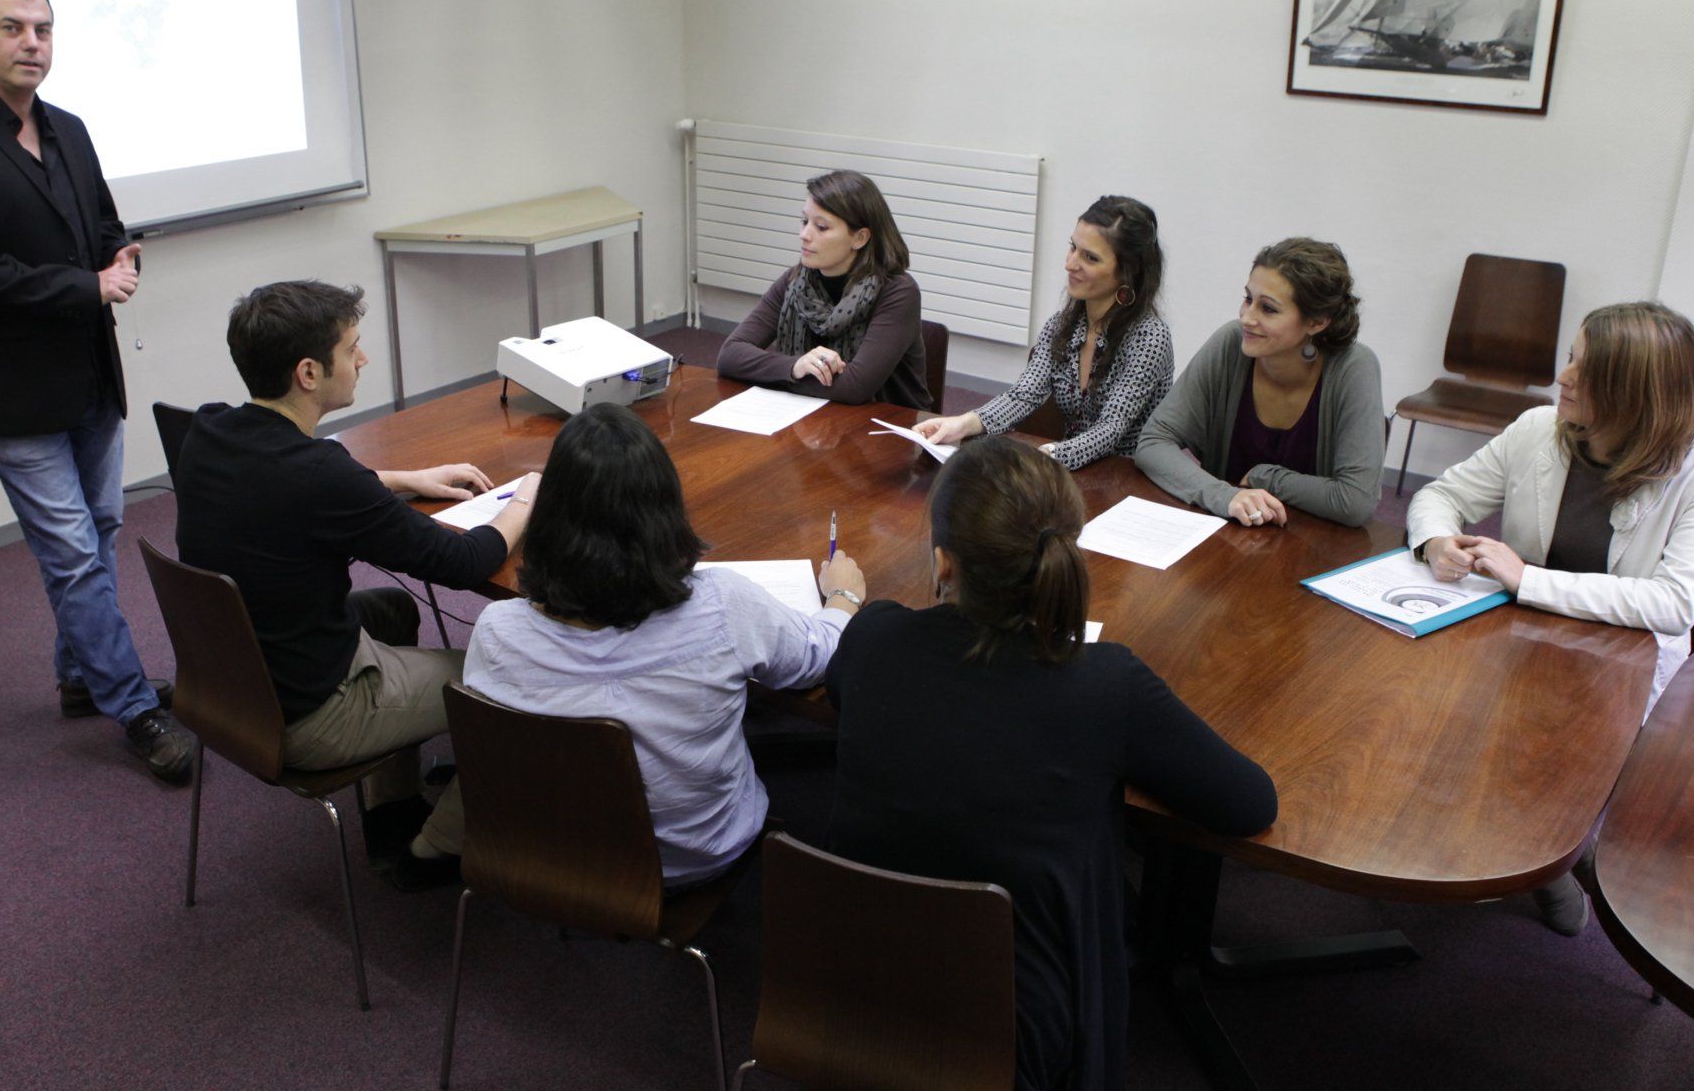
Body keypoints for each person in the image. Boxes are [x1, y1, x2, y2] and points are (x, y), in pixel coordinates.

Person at [825, 437, 1277, 1091]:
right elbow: (1248, 804)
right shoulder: (1103, 684)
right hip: (1021, 1042)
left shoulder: (872, 640)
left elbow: (848, 688)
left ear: (944, 563)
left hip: (840, 994)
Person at [0, 0, 192, 782]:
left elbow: (101, 222)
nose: (32, 44)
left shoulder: (69, 128)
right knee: (70, 553)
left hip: (89, 372)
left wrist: (121, 253)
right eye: (15, 28)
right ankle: (134, 705)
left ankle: (76, 677)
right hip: (12, 387)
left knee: (96, 533)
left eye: (44, 30)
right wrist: (83, 286)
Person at [174, 280, 539, 890]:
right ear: (310, 372)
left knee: (393, 609)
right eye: (353, 349)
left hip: (231, 680)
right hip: (310, 712)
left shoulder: (209, 430)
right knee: (519, 679)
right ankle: (434, 852)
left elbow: (299, 484)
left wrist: (401, 477)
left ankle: (390, 809)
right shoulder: (321, 476)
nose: (362, 359)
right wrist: (529, 492)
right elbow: (463, 561)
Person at [1409, 302, 1694, 936]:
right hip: (1516, 630)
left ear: (1633, 392)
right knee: (1427, 696)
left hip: (1620, 658)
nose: (1564, 376)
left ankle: (1548, 861)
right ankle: (1528, 853)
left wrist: (1528, 579)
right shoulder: (1539, 428)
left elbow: (1675, 605)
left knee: (1556, 744)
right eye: (1571, 357)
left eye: (1587, 370)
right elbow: (1440, 495)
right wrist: (1436, 542)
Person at [464, 403, 865, 887]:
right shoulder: (721, 607)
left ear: (547, 517)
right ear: (665, 511)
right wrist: (842, 596)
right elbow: (818, 659)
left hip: (547, 853)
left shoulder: (494, 631)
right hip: (695, 860)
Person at [1136, 237, 1385, 527]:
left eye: (1268, 309)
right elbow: (1153, 442)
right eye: (1248, 299)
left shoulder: (1354, 367)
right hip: (1228, 535)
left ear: (1316, 322)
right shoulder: (1230, 344)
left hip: (1314, 543)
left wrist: (1265, 478)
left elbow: (1355, 501)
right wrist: (1224, 495)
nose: (1247, 318)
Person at [913, 195, 1173, 468]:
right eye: (1073, 247)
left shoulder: (1149, 337)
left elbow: (1111, 427)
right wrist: (963, 423)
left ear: (1127, 272)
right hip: (1071, 471)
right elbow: (1023, 395)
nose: (1070, 264)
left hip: (1128, 477)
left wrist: (1047, 456)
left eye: (1090, 257)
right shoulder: (1063, 324)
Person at [716, 169, 933, 409]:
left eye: (821, 227)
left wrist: (774, 374)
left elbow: (854, 387)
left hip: (890, 425)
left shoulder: (898, 292)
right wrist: (793, 367)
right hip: (814, 419)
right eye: (804, 221)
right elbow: (729, 355)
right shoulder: (795, 281)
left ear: (859, 238)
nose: (804, 235)